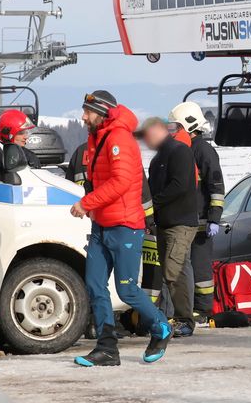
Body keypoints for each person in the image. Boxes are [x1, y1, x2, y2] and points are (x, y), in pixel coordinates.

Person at [69, 91, 172, 366]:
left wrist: (86, 202)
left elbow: (121, 182)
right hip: (102, 224)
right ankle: (106, 348)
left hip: (125, 226)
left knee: (126, 290)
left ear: (101, 113)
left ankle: (160, 326)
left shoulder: (118, 139)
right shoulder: (97, 137)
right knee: (94, 285)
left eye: (88, 111)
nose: (83, 116)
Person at [139, 117, 199, 338]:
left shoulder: (180, 152)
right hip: (164, 223)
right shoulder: (157, 160)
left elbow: (180, 186)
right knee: (169, 271)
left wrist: (155, 203)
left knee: (175, 272)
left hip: (180, 223)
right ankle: (171, 318)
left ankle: (185, 320)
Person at [168, 102, 225, 318]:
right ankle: (186, 307)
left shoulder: (203, 150)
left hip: (201, 223)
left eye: (177, 127)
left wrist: (214, 218)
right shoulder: (181, 150)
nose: (174, 131)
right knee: (183, 268)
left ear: (189, 125)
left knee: (201, 270)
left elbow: (216, 187)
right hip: (183, 221)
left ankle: (202, 309)